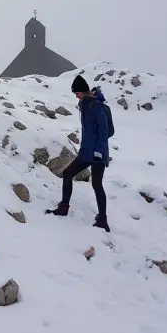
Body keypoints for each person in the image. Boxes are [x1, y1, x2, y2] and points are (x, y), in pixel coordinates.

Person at [45, 74, 110, 231]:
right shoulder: (85, 106)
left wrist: (98, 152)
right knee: (68, 173)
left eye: (78, 94)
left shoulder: (95, 106)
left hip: (97, 154)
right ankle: (64, 207)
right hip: (86, 152)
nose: (77, 97)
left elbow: (105, 131)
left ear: (84, 92)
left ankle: (103, 220)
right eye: (75, 95)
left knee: (96, 184)